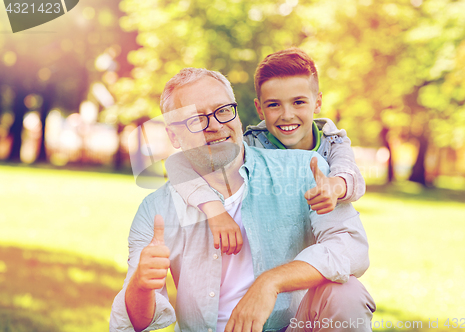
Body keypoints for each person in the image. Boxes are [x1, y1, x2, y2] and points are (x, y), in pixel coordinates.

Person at [109, 67, 375, 332]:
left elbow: (352, 247)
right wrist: (141, 286)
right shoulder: (157, 209)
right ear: (174, 136)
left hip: (291, 327)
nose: (214, 125)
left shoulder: (304, 170)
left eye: (222, 110)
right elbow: (136, 322)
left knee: (346, 292)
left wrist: (272, 282)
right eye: (195, 119)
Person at [165, 48, 365, 256]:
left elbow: (350, 174)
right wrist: (214, 209)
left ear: (318, 103)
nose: (287, 115)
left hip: (320, 246)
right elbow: (177, 164)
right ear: (260, 109)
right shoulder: (252, 143)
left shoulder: (333, 142)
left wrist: (335, 187)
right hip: (275, 250)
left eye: (298, 102)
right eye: (274, 105)